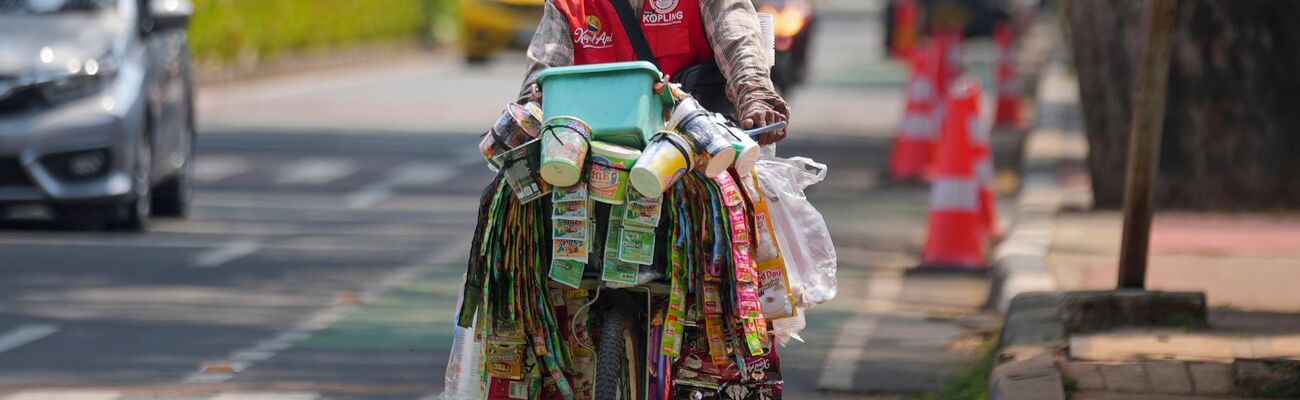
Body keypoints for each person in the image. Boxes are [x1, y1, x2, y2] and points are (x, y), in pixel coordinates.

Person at [518, 0, 791, 144]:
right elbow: (543, 75)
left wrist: (755, 96)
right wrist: (529, 113)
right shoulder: (568, 4)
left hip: (694, 152)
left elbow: (738, 40)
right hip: (593, 163)